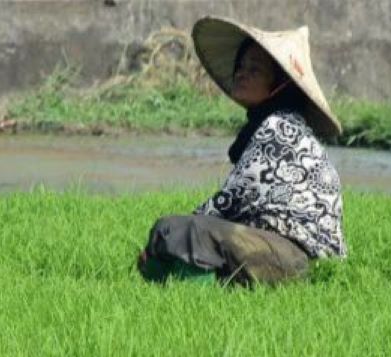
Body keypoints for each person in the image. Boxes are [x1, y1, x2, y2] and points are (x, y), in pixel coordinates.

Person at [138, 18, 347, 286]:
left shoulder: (278, 128)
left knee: (181, 230)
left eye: (255, 69)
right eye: (241, 66)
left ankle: (185, 303)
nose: (241, 73)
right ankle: (175, 291)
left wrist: (167, 237)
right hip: (279, 251)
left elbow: (227, 204)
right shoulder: (276, 123)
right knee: (183, 239)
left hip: (294, 258)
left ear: (280, 85)